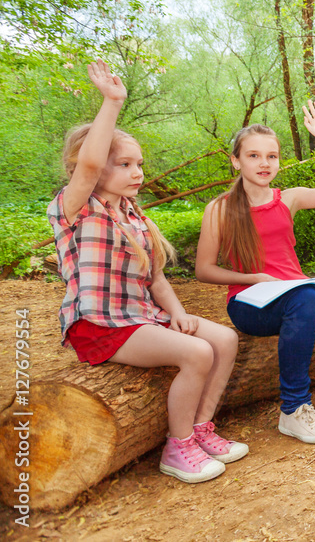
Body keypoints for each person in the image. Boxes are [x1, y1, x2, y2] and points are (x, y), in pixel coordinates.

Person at [49, 60, 245, 484]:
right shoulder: (77, 208)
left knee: (224, 339)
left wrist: (175, 311)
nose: (137, 172)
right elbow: (88, 167)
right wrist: (112, 103)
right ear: (93, 164)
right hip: (99, 324)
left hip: (142, 317)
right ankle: (178, 448)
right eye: (123, 164)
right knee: (196, 353)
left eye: (139, 164)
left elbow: (155, 277)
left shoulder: (134, 214)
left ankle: (200, 427)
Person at [195, 101, 315, 445]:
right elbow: (203, 270)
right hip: (250, 302)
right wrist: (254, 278)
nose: (264, 163)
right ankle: (293, 408)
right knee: (305, 297)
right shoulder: (220, 209)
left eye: (271, 156)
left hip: (298, 295)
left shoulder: (287, 199)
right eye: (254, 156)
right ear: (236, 160)